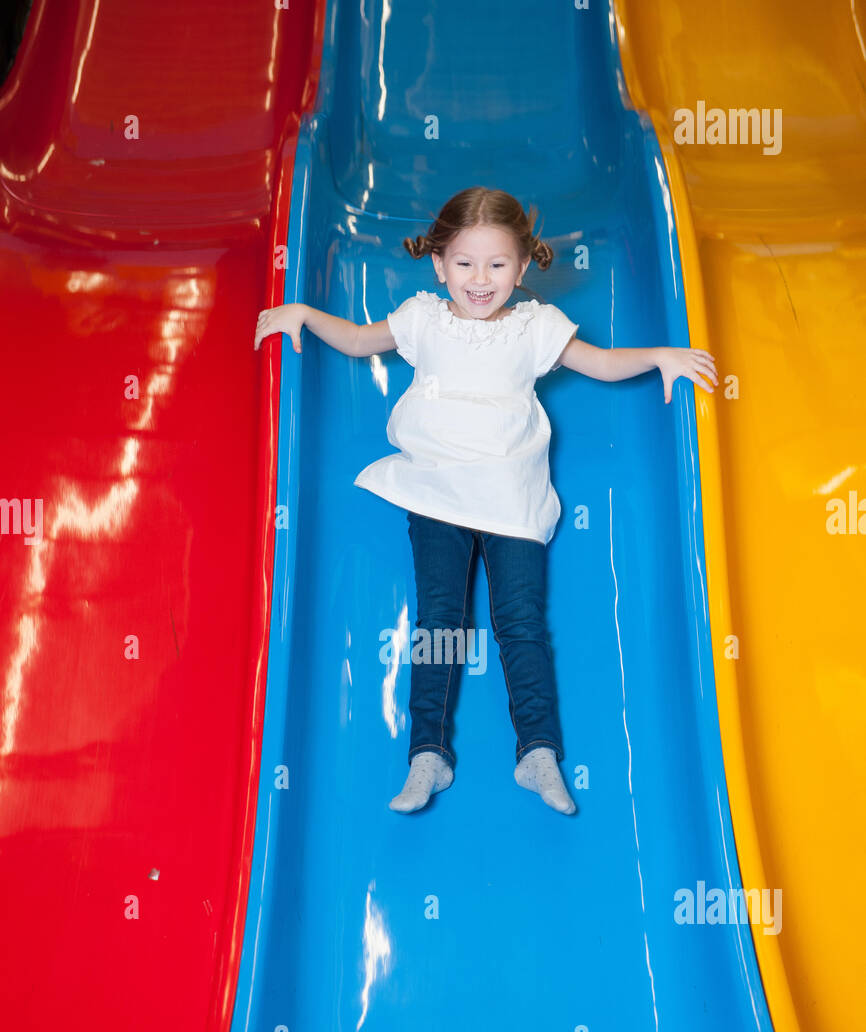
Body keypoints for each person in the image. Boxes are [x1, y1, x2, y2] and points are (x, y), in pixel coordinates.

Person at [255, 187, 717, 816]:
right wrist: (305, 315)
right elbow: (363, 341)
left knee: (520, 623)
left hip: (511, 500)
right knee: (438, 624)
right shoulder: (424, 317)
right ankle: (428, 755)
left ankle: (538, 752)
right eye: (465, 264)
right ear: (440, 263)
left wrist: (661, 356)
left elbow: (602, 363)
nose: (480, 280)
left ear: (522, 268)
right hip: (439, 494)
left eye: (498, 265)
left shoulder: (534, 326)